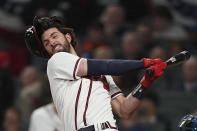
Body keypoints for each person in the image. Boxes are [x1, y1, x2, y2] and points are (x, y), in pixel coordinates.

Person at [24, 16, 166, 131]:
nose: (52, 43)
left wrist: (145, 81)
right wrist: (143, 63)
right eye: (47, 43)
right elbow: (107, 65)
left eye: (54, 36)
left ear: (67, 37)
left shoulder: (102, 74)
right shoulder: (56, 62)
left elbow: (124, 110)